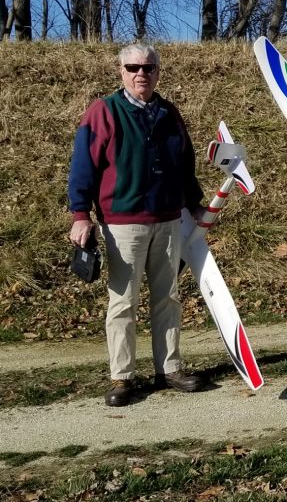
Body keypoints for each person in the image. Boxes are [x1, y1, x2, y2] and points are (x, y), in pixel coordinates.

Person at [68, 44, 205, 407]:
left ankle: (170, 368)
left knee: (168, 298)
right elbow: (83, 166)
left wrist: (195, 204)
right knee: (123, 303)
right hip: (122, 224)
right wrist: (80, 214)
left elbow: (185, 165)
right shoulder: (103, 112)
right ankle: (122, 376)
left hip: (168, 221)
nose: (141, 73)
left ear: (158, 72)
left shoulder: (170, 113)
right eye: (133, 67)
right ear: (121, 72)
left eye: (148, 67)